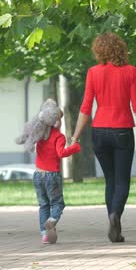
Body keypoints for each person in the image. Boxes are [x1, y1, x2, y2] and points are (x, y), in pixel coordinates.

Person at [71, 32, 136, 243]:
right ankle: (115, 215)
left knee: (110, 179)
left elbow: (86, 107)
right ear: (120, 48)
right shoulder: (130, 71)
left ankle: (113, 222)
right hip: (123, 131)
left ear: (99, 50)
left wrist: (75, 136)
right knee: (122, 180)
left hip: (99, 131)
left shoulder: (93, 72)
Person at [16, 99, 81, 244]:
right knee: (58, 204)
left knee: (43, 205)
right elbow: (61, 153)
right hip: (52, 175)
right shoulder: (59, 136)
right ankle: (52, 220)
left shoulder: (40, 135)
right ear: (57, 122)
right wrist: (75, 147)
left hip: (38, 175)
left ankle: (45, 235)